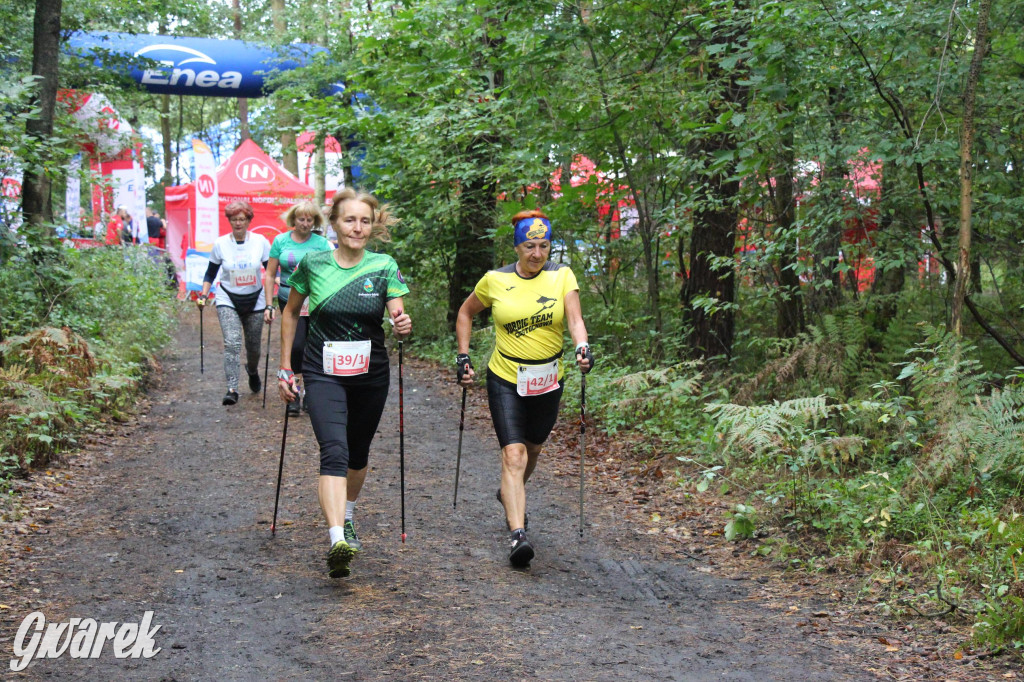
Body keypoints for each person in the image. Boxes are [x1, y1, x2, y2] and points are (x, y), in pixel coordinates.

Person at [277, 188, 411, 579]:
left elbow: (399, 317)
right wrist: (287, 367)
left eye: (365, 221)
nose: (357, 227)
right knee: (333, 449)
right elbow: (290, 313)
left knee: (357, 452)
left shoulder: (384, 266)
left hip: (371, 374)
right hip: (322, 371)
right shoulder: (313, 264)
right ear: (334, 223)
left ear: (373, 225)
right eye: (349, 220)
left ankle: (348, 514)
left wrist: (402, 325)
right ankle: (336, 539)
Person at [455, 209, 594, 569]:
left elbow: (576, 319)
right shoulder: (495, 280)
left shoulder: (562, 277)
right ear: (517, 247)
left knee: (532, 449)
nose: (537, 253)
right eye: (529, 246)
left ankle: (508, 492)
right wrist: (463, 355)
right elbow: (466, 312)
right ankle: (518, 533)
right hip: (506, 376)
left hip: (548, 379)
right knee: (513, 455)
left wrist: (581, 346)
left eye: (544, 245)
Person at [196, 200, 271, 405]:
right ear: (229, 220)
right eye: (234, 219)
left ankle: (252, 370)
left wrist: (274, 300)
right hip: (227, 296)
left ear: (248, 220)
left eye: (242, 219)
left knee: (253, 347)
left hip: (255, 298)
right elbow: (210, 273)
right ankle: (232, 388)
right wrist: (203, 295)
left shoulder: (260, 241)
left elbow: (271, 271)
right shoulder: (220, 244)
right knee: (232, 342)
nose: (238, 223)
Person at [263, 201, 332, 416]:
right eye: (301, 219)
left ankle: (311, 393)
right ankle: (293, 392)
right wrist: (269, 304)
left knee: (314, 346)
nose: (305, 223)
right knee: (295, 346)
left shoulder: (321, 244)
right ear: (293, 219)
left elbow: (328, 273)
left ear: (315, 222)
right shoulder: (280, 241)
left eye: (309, 220)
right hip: (288, 299)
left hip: (315, 301)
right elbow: (270, 274)